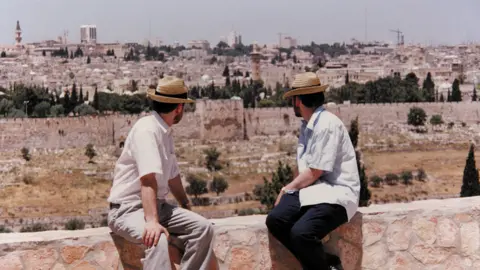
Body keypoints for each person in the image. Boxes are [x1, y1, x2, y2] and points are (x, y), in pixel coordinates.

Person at [107, 76, 219, 270]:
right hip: (127, 210)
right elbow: (148, 179)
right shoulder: (147, 131)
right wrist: (151, 221)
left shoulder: (164, 131)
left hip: (158, 207)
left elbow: (172, 177)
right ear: (179, 108)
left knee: (203, 228)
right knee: (155, 239)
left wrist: (185, 204)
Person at [265, 72, 360, 270]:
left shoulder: (326, 125)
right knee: (276, 219)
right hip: (314, 191)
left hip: (337, 194)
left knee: (302, 233)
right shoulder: (309, 126)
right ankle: (324, 263)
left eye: (292, 99)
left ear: (298, 100)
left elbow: (315, 171)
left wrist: (287, 188)